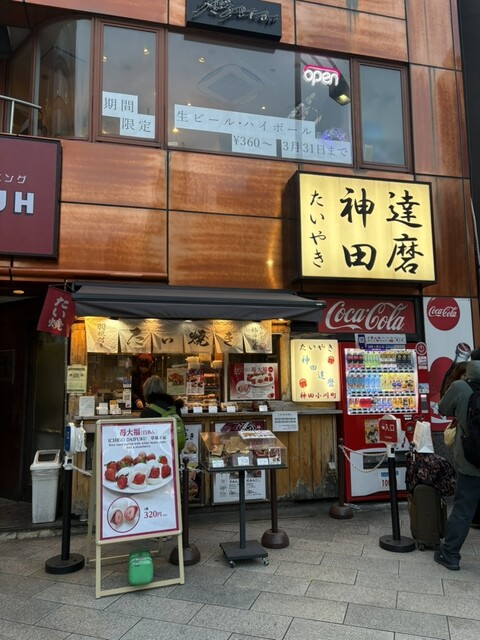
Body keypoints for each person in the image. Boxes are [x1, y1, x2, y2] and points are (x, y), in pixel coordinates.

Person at [435, 348, 480, 570]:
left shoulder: (461, 387)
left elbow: (442, 408)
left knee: (463, 509)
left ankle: (450, 554)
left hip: (472, 459)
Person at [140, 375, 186, 451]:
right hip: (174, 453)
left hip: (157, 453)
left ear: (146, 391)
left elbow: (145, 439)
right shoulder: (175, 407)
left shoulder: (147, 411)